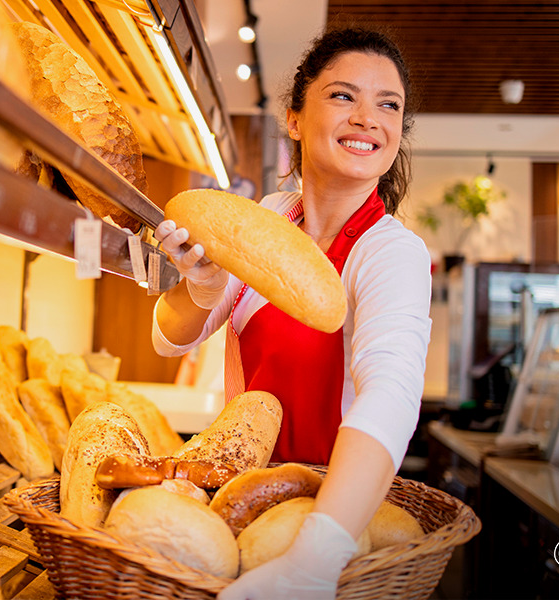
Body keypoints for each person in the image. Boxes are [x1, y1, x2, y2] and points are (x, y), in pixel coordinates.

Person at [151, 26, 432, 600]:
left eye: (388, 105)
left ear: (398, 133)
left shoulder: (390, 252)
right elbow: (168, 339)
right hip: (241, 503)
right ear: (295, 118)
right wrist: (203, 289)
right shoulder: (269, 220)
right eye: (342, 95)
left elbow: (391, 395)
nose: (367, 118)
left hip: (327, 526)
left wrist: (318, 557)